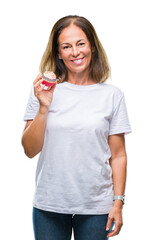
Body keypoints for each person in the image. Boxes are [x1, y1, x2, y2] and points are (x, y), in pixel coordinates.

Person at [22, 15, 132, 240]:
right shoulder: (43, 92)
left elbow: (118, 155)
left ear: (92, 45)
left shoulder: (112, 96)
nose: (75, 52)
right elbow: (29, 150)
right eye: (66, 46)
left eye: (81, 43)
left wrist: (118, 203)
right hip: (50, 204)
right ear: (58, 53)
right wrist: (43, 107)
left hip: (96, 206)